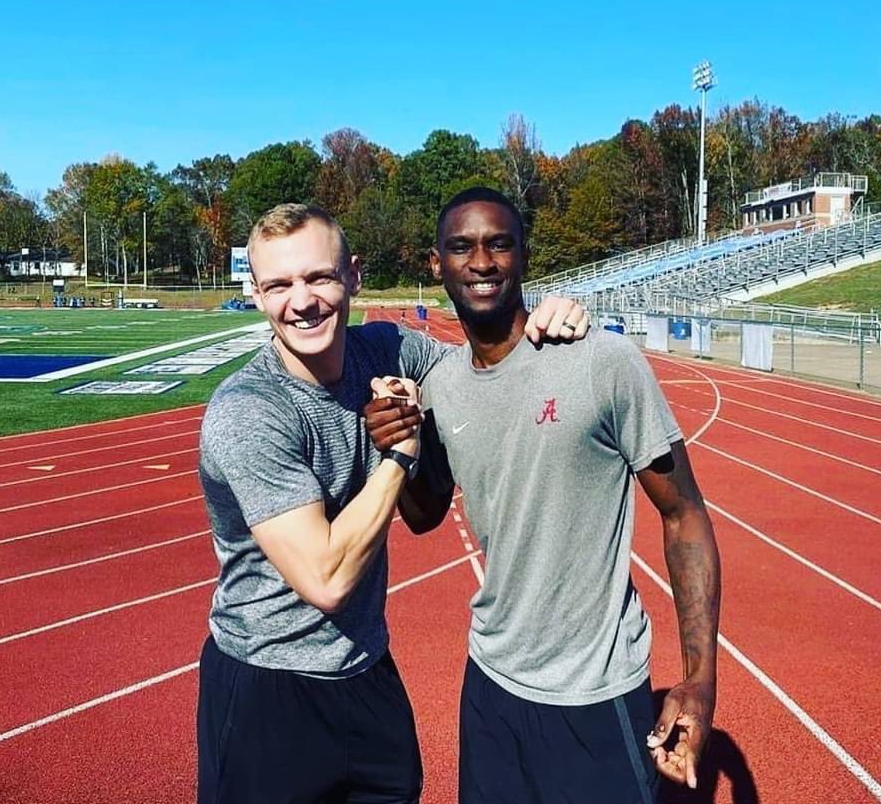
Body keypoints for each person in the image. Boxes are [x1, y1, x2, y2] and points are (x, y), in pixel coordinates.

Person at [195, 202, 589, 804]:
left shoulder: (384, 348)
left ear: (353, 275)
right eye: (278, 285)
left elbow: (485, 368)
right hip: (268, 688)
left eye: (319, 277)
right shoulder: (250, 411)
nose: (301, 302)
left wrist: (542, 320)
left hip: (366, 669)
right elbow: (325, 578)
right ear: (254, 292)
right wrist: (400, 455)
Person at [366, 188, 721, 803]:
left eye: (498, 244)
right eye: (462, 248)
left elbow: (683, 512)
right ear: (436, 263)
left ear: (524, 256)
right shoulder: (442, 387)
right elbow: (422, 517)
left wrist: (700, 680)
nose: (481, 262)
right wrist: (400, 445)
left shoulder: (600, 362)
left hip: (595, 692)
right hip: (491, 685)